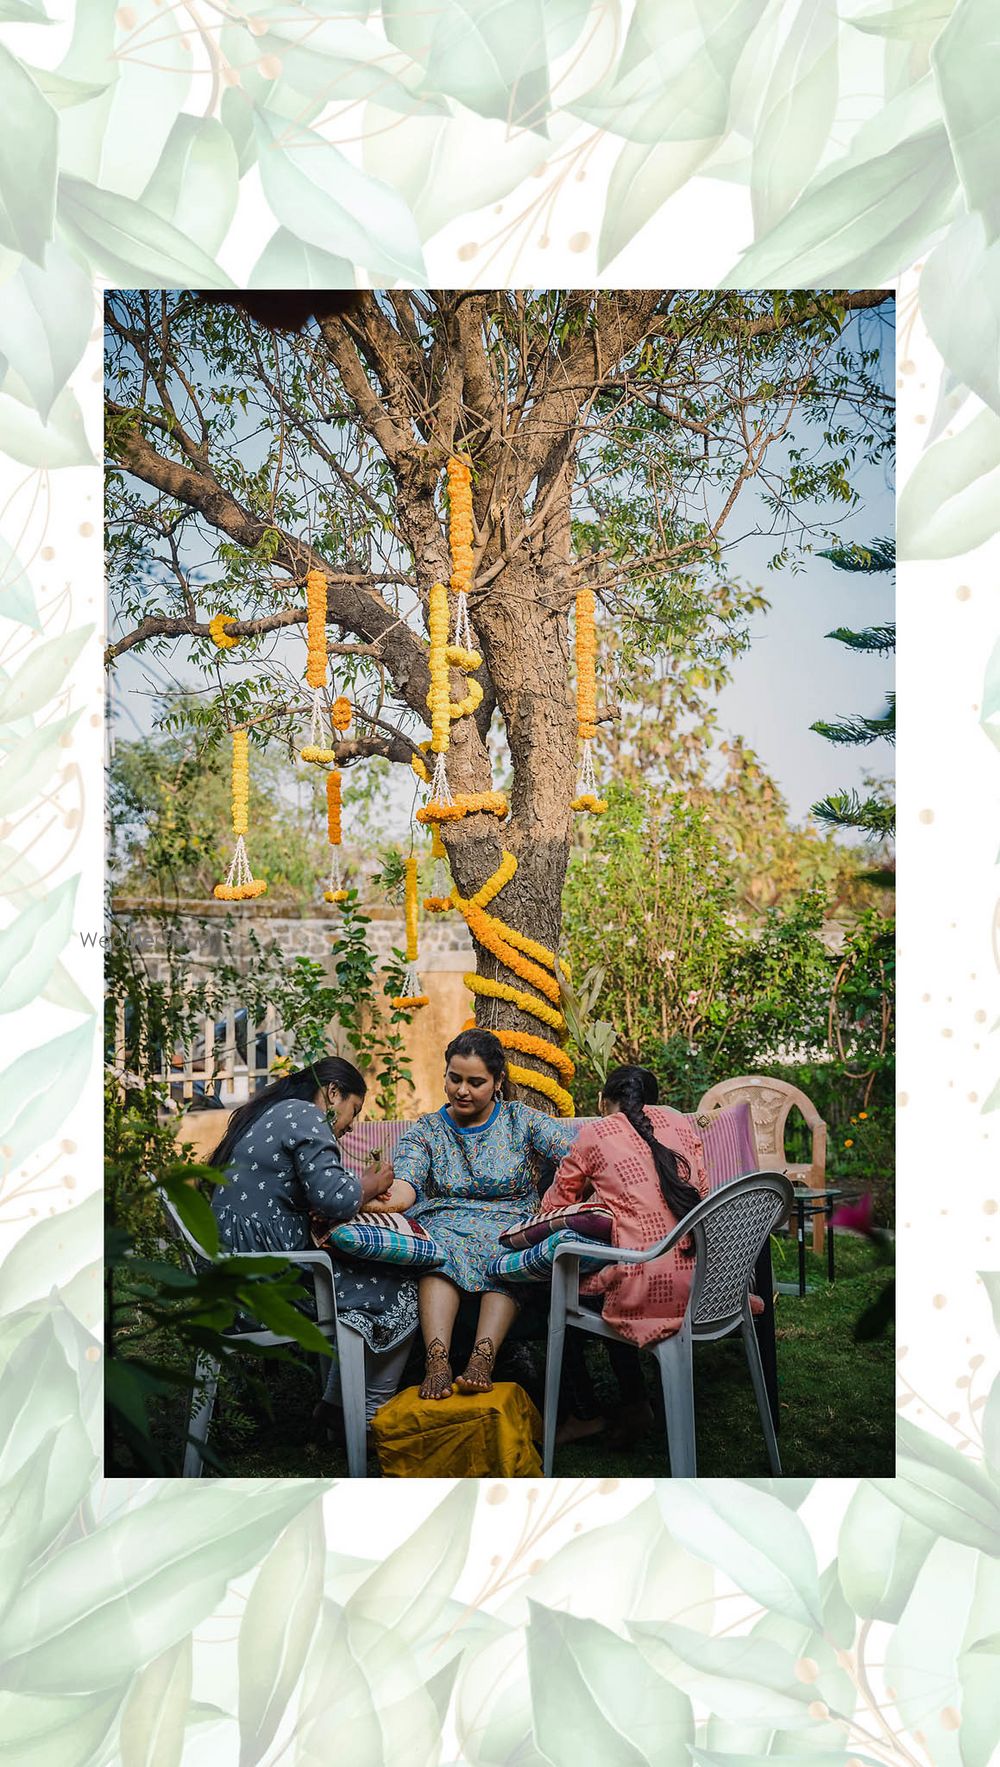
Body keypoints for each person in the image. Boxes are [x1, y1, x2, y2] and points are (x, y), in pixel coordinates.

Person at [207, 1055, 418, 1426]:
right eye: (353, 1112)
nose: (351, 1128)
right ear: (332, 1092)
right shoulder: (308, 1115)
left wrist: (356, 1185)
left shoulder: (275, 1110)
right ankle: (366, 1418)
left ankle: (333, 1409)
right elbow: (332, 1198)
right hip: (266, 1285)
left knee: (359, 1276)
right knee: (399, 1291)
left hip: (232, 1271)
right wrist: (373, 1182)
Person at [389, 1029, 577, 1401]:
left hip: (511, 1221)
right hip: (445, 1221)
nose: (462, 1090)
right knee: (437, 1249)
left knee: (506, 1248)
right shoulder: (426, 1130)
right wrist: (368, 1201)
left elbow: (577, 1156)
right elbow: (405, 1186)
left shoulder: (521, 1120)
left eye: (476, 1082)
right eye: (454, 1078)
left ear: (497, 1082)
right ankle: (437, 1361)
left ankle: (482, 1358)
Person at [540, 1063, 708, 1355]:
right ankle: (640, 1394)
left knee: (555, 1283)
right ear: (653, 1101)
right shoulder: (680, 1122)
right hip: (706, 1281)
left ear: (601, 1100)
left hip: (645, 1288)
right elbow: (703, 1192)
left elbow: (553, 1207)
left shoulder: (594, 1133)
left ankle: (606, 1395)